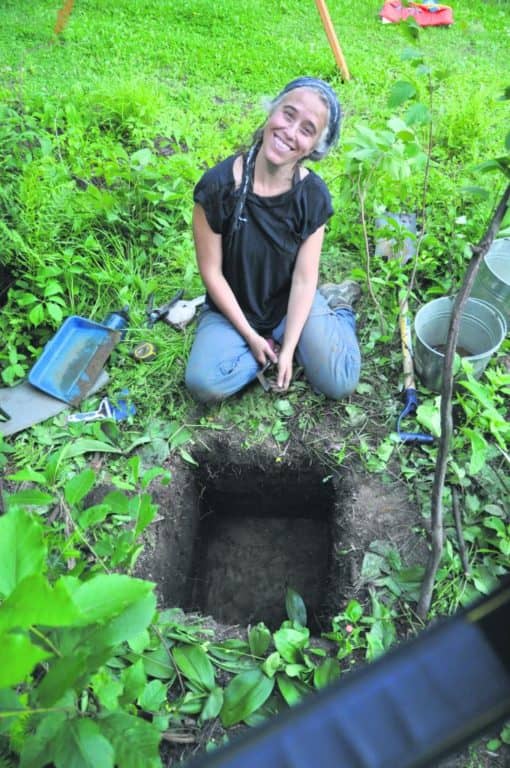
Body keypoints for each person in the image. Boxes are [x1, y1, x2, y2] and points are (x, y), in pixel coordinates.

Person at [185, 76, 361, 403]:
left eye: (307, 129)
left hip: (290, 308)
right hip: (233, 310)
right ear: (272, 111)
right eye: (288, 114)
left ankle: (337, 306)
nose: (290, 132)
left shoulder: (313, 196)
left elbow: (304, 279)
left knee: (341, 381)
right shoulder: (218, 187)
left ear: (315, 147)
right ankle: (265, 348)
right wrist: (251, 337)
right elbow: (211, 274)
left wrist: (290, 345)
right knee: (203, 382)